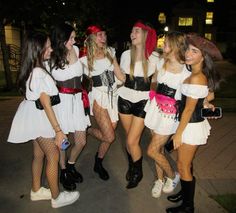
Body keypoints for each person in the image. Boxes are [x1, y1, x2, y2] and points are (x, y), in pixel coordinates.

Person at [7, 31, 79, 208]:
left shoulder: (34, 67)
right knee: (53, 155)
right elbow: (46, 103)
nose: (50, 49)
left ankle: (36, 190)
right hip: (39, 117)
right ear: (37, 49)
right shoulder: (38, 71)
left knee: (39, 155)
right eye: (47, 46)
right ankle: (56, 197)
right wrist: (58, 131)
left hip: (32, 115)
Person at [166, 33, 222, 213]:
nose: (188, 54)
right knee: (186, 164)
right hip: (188, 123)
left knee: (183, 165)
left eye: (194, 51)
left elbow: (189, 109)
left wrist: (178, 134)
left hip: (189, 126)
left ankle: (188, 206)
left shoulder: (197, 77)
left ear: (203, 56)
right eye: (188, 49)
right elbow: (205, 95)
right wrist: (205, 102)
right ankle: (184, 193)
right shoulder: (195, 73)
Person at [144, 31, 191, 198]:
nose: (163, 46)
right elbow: (154, 80)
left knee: (152, 150)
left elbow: (192, 95)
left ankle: (172, 176)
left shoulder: (187, 70)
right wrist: (153, 93)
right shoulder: (161, 62)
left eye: (166, 44)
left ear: (175, 46)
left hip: (169, 115)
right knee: (159, 149)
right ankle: (159, 179)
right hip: (155, 108)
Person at [79, 25, 125, 180]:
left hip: (113, 96)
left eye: (104, 34)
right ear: (91, 38)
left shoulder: (111, 52)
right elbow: (80, 82)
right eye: (99, 35)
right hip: (98, 97)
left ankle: (98, 162)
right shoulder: (84, 59)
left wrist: (124, 79)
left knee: (108, 135)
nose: (103, 37)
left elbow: (118, 72)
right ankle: (89, 130)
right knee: (110, 136)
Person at [118, 21, 160, 189]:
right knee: (130, 141)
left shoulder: (154, 57)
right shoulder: (126, 54)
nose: (132, 34)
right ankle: (132, 165)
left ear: (145, 34)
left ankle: (138, 171)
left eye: (136, 31)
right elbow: (121, 77)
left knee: (131, 140)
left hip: (143, 101)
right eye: (131, 31)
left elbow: (157, 81)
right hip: (124, 98)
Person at [50, 23, 91, 191]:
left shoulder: (76, 50)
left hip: (78, 100)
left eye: (74, 37)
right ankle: (64, 171)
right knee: (63, 141)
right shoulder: (51, 55)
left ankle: (71, 164)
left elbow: (85, 71)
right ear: (62, 38)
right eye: (71, 38)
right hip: (62, 101)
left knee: (81, 141)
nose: (74, 40)